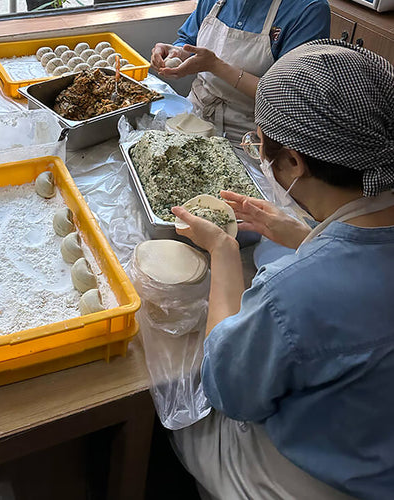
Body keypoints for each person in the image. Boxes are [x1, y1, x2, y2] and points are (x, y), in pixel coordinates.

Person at [170, 39, 394, 500]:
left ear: (294, 161)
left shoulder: (293, 293)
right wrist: (303, 235)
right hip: (378, 446)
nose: (261, 155)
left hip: (316, 482)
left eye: (260, 145)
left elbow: (226, 387)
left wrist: (224, 252)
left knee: (175, 406)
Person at [150, 0, 330, 141]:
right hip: (193, 115)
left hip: (252, 137)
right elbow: (189, 38)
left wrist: (215, 66)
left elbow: (288, 96)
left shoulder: (308, 10)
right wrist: (178, 51)